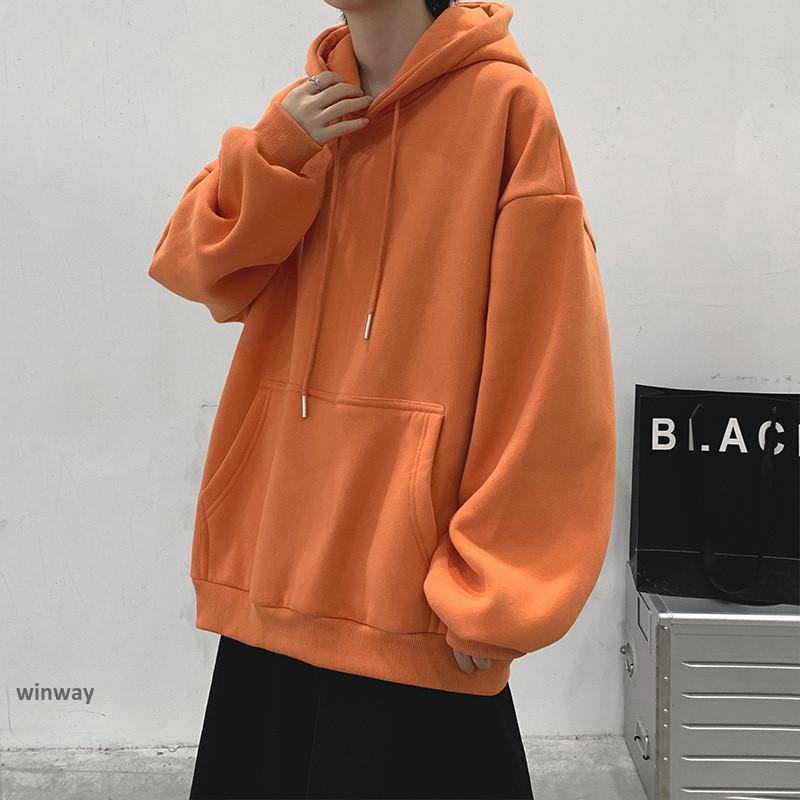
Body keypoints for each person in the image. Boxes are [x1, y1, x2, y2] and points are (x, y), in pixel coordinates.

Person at [147, 0, 616, 797]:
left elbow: (551, 365)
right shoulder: (307, 114)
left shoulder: (506, 107)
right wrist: (276, 149)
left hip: (409, 601)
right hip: (276, 579)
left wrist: (498, 583)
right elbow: (194, 267)